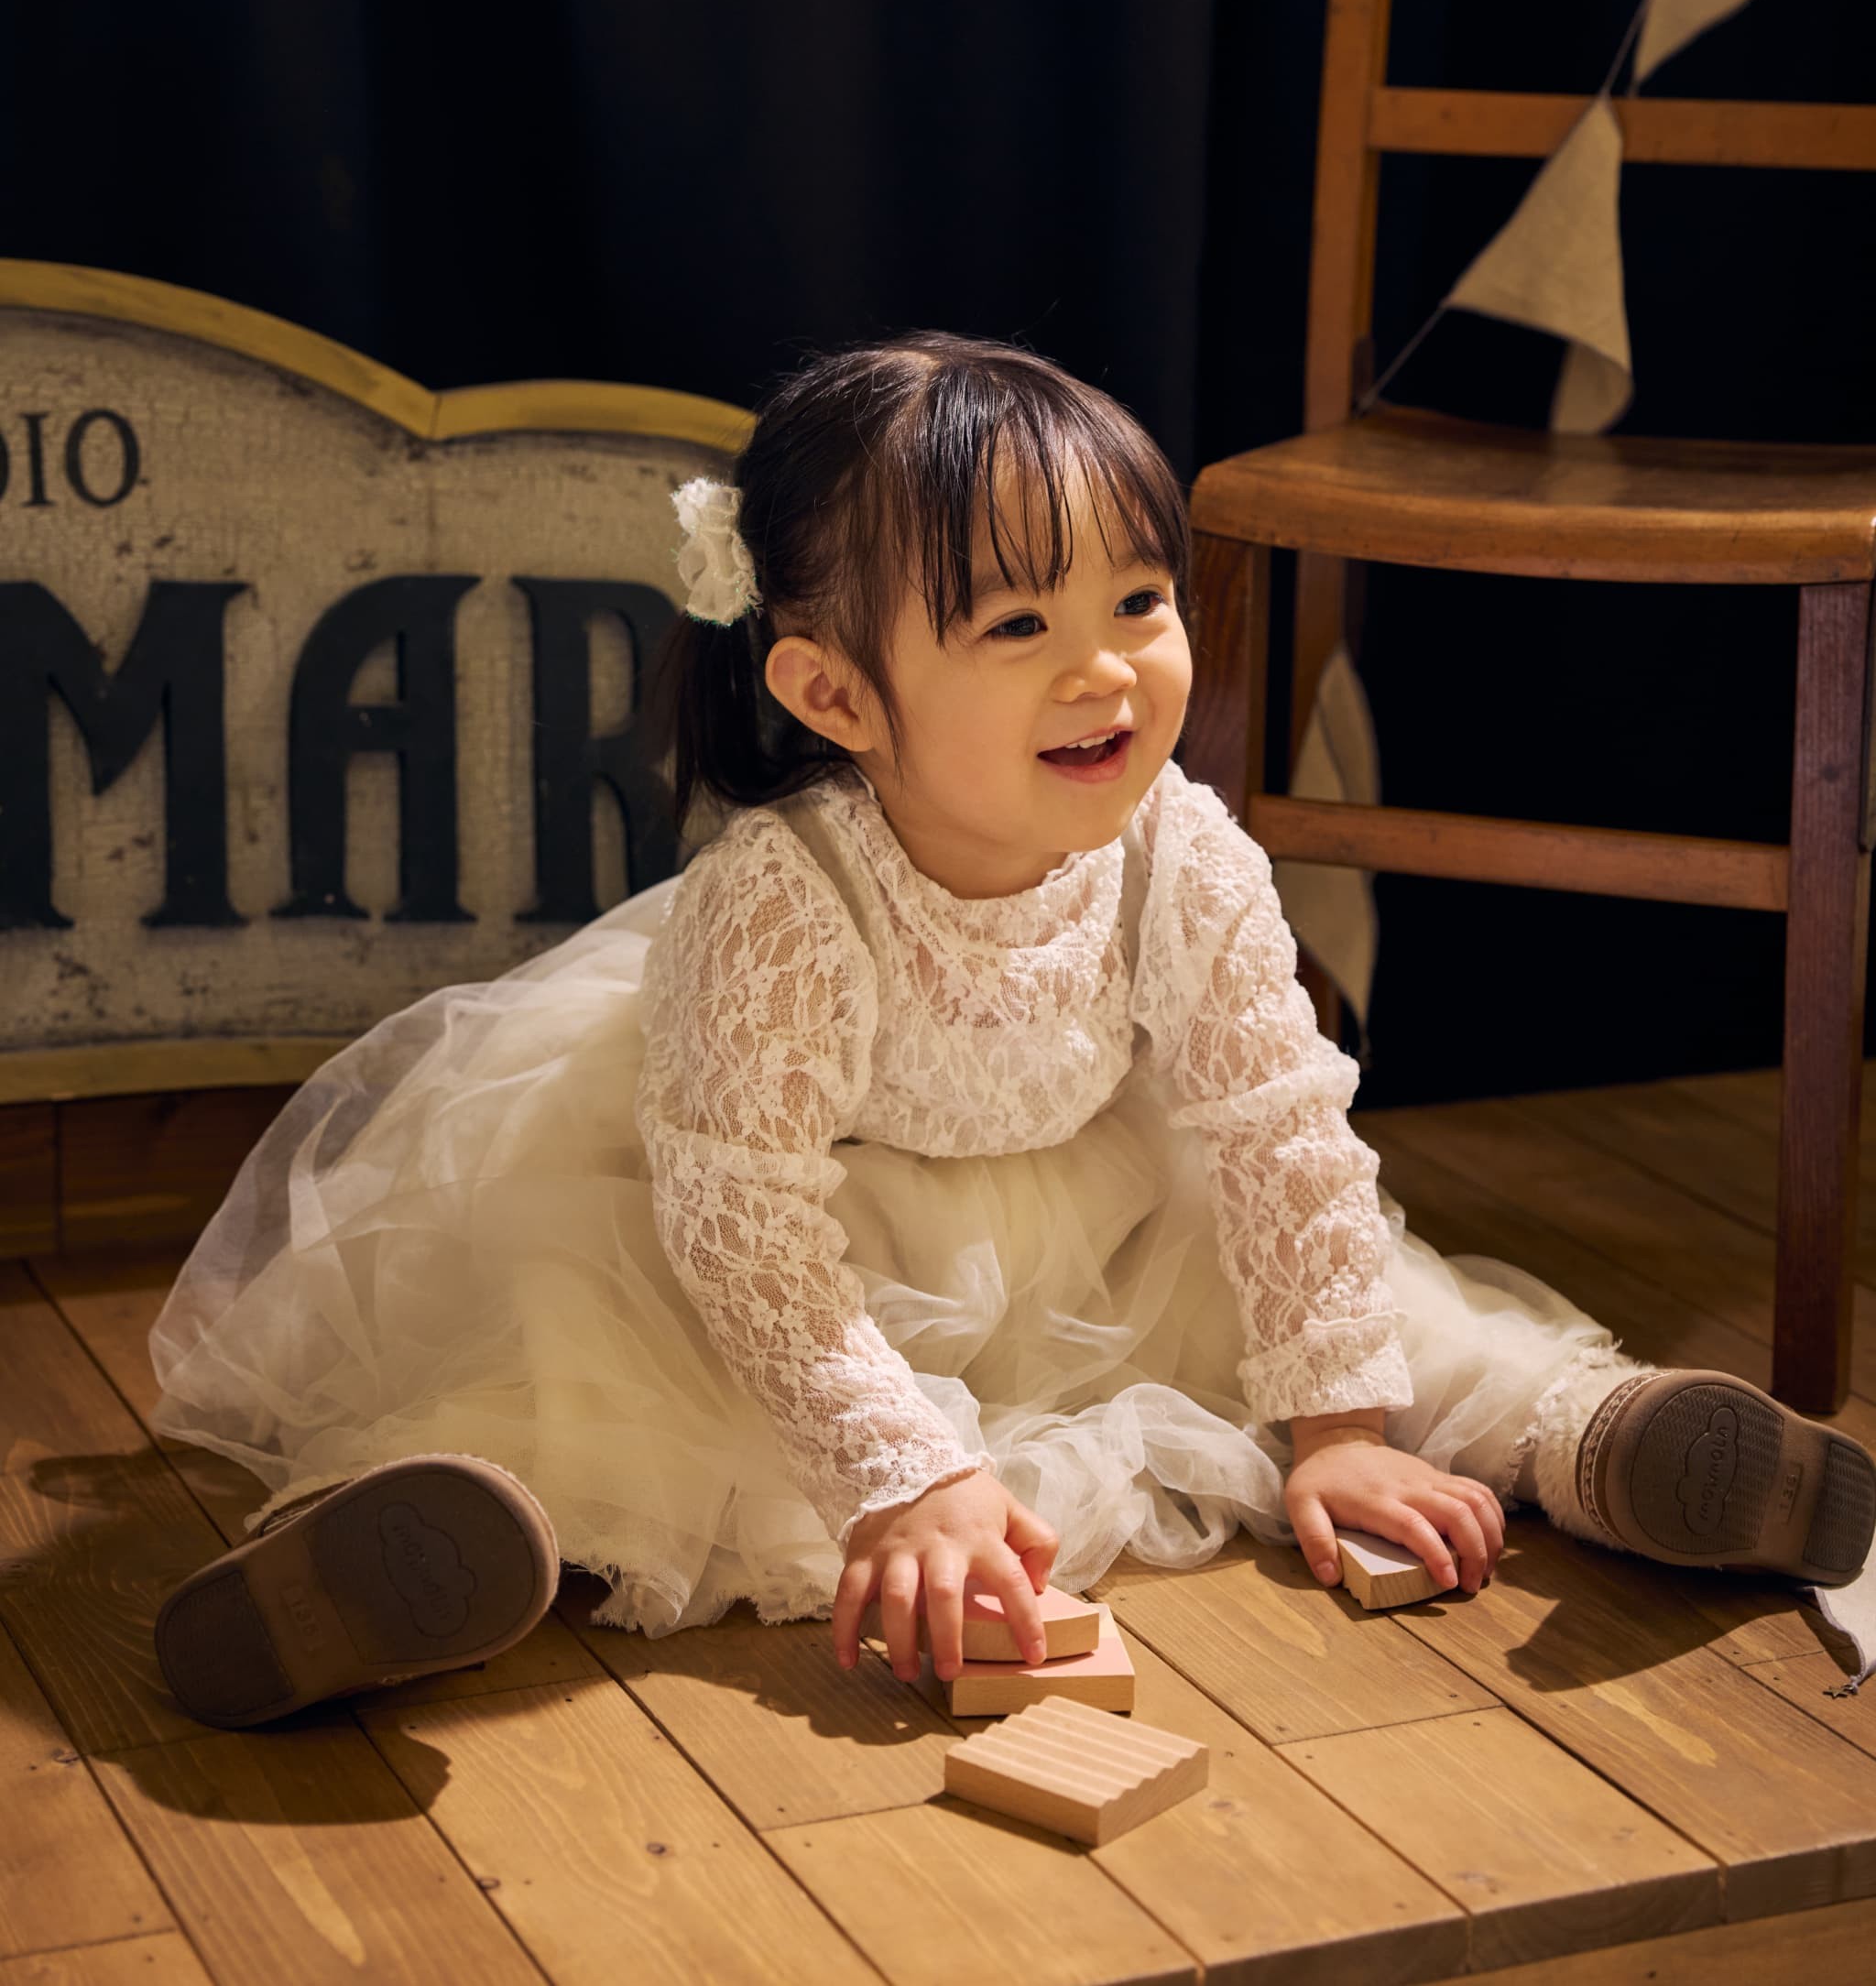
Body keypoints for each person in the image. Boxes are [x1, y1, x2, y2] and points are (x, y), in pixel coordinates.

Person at [147, 333, 1876, 1729]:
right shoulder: (781, 904)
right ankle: (425, 1544)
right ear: (834, 691)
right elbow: (745, 1223)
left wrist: (1340, 1421)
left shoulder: (1184, 852)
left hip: (1098, 1209)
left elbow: (1280, 1128)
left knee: (1365, 1306)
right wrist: (903, 1475)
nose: (1106, 670)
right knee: (619, 1386)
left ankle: (1613, 1443)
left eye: (1140, 602)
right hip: (791, 1238)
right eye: (1021, 626)